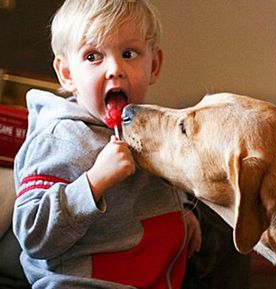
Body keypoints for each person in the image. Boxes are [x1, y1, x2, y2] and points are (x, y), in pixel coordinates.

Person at [12, 1, 202, 288]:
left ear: (154, 64)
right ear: (67, 74)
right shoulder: (60, 139)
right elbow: (32, 233)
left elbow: (160, 186)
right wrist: (93, 183)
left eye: (129, 53)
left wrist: (181, 212)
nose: (115, 68)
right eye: (93, 57)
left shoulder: (150, 128)